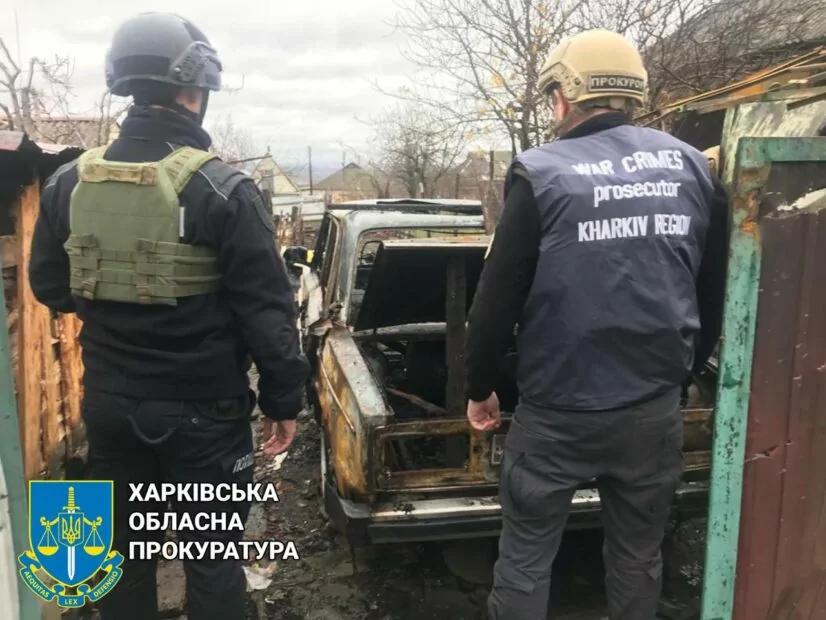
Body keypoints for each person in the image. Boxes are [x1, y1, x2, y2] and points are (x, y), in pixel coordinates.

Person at [28, 12, 310, 620]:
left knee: (125, 557)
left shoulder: (67, 182)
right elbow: (268, 315)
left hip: (110, 407)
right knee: (210, 560)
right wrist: (283, 402)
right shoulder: (224, 189)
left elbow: (50, 286)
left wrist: (116, 303)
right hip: (205, 414)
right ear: (193, 91)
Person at [464, 29, 730, 620]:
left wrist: (480, 386)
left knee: (526, 559)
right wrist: (682, 374)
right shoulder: (693, 167)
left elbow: (495, 300)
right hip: (651, 409)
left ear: (563, 96)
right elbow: (712, 290)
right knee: (639, 558)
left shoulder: (541, 173)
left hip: (557, 412)